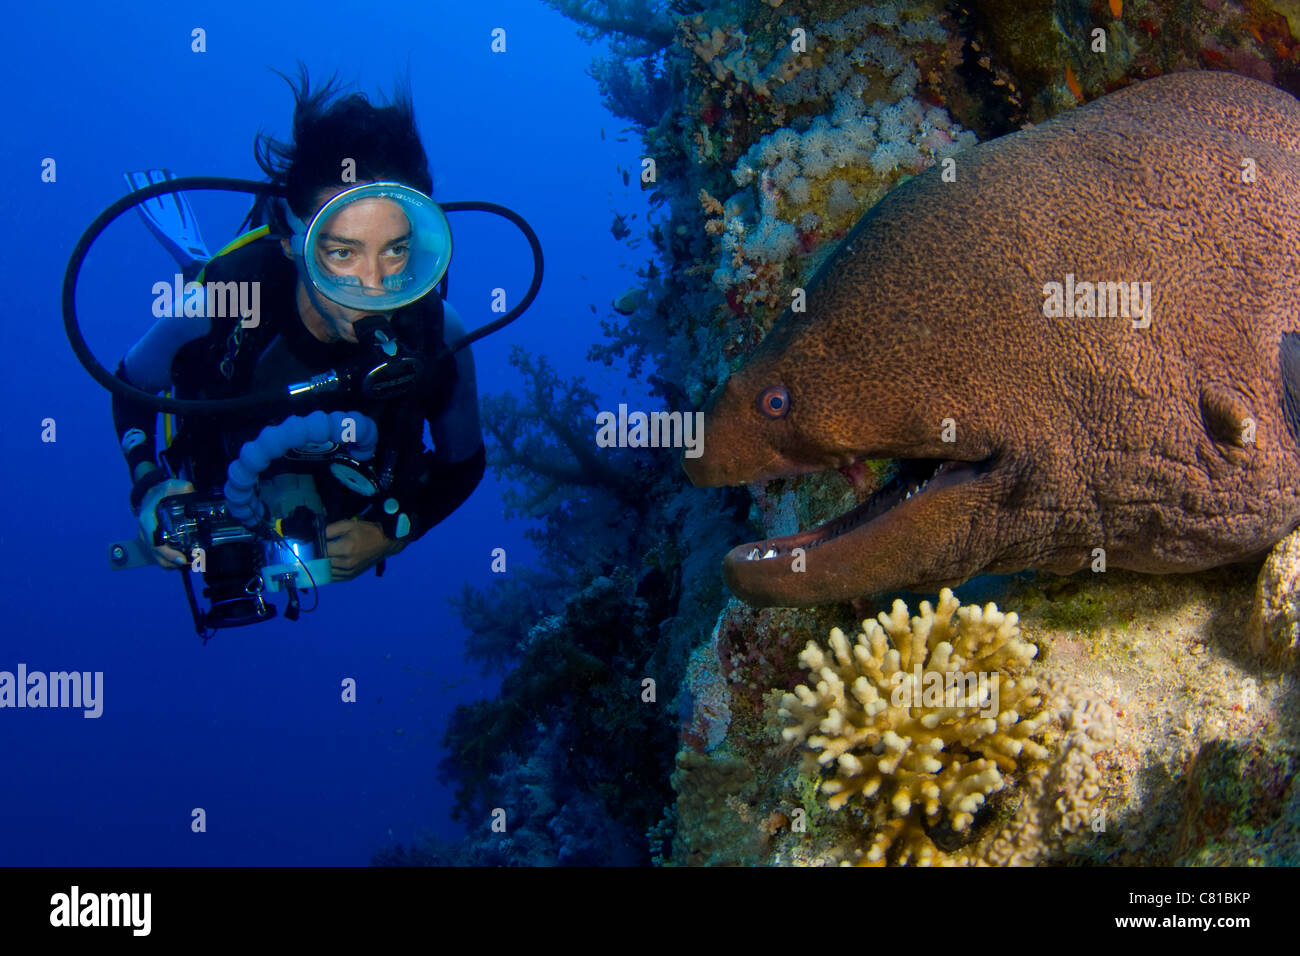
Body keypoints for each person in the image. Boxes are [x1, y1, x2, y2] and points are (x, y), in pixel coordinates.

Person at [112, 69, 485, 587]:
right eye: (341, 252)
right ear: (292, 242)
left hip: (342, 495)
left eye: (395, 250)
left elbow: (462, 466)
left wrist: (395, 533)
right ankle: (195, 259)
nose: (373, 286)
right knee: (201, 288)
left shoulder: (438, 334)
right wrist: (149, 483)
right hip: (229, 487)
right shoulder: (219, 303)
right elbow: (131, 387)